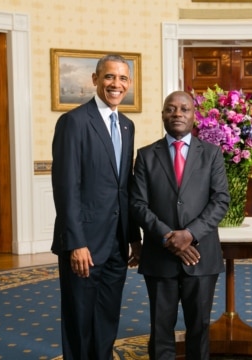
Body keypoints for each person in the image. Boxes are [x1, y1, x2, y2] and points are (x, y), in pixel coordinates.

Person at [51, 54, 142, 360]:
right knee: (79, 319)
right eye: (109, 77)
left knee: (107, 316)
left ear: (128, 84)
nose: (116, 84)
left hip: (116, 243)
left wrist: (133, 238)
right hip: (85, 244)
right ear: (95, 79)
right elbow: (66, 188)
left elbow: (124, 187)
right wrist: (76, 243)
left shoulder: (127, 126)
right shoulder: (74, 122)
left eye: (123, 79)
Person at [130, 90, 230, 359]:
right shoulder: (146, 155)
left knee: (199, 326)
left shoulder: (211, 154)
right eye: (171, 109)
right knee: (161, 327)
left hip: (200, 255)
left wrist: (189, 234)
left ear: (193, 115)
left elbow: (221, 200)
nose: (177, 114)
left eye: (184, 109)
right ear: (162, 114)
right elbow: (138, 204)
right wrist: (168, 237)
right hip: (159, 256)